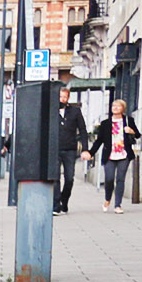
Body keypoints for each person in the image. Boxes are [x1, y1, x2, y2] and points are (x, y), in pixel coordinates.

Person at [93, 99, 142, 213]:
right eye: (113, 106)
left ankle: (118, 205)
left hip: (124, 154)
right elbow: (99, 140)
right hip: (110, 155)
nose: (115, 108)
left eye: (118, 106)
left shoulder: (129, 120)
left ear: (123, 109)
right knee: (109, 178)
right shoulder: (105, 123)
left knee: (120, 179)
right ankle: (107, 198)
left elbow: (138, 135)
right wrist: (90, 153)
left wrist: (131, 131)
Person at [56, 83, 88, 213]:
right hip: (55, 148)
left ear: (68, 98)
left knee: (69, 178)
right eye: (60, 96)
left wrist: (85, 149)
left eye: (65, 97)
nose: (62, 99)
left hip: (70, 148)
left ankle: (65, 199)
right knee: (55, 177)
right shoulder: (51, 111)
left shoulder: (75, 111)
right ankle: (56, 204)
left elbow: (82, 130)